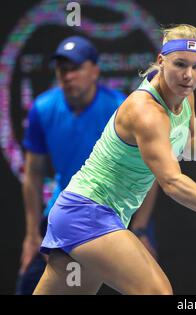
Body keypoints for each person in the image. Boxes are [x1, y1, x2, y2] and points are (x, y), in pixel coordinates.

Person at [33, 24, 196, 295]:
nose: (188, 76)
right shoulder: (146, 112)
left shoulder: (184, 95)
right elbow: (172, 182)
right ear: (161, 61)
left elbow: (189, 142)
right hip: (86, 212)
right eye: (180, 64)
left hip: (92, 214)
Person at [18, 35, 158, 295]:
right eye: (62, 69)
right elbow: (33, 174)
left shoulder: (122, 108)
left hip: (116, 216)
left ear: (95, 71)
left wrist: (139, 228)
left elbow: (149, 171)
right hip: (65, 215)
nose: (68, 76)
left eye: (75, 68)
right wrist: (30, 236)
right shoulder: (42, 108)